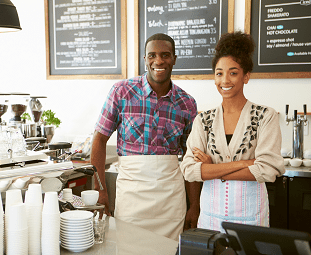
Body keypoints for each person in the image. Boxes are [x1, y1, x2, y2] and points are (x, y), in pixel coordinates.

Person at [91, 33, 200, 240]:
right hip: (132, 195)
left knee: (169, 250)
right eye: (152, 55)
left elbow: (191, 156)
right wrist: (101, 190)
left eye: (165, 55)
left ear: (174, 59)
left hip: (171, 198)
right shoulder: (122, 91)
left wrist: (194, 204)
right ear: (145, 59)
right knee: (129, 247)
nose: (158, 61)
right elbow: (99, 140)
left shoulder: (187, 103)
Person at [180, 31, 285, 232]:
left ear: (246, 76)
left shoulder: (265, 116)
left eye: (233, 72)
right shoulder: (203, 120)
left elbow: (268, 169)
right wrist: (245, 164)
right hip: (210, 215)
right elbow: (189, 170)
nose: (225, 80)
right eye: (219, 73)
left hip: (250, 217)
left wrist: (211, 169)